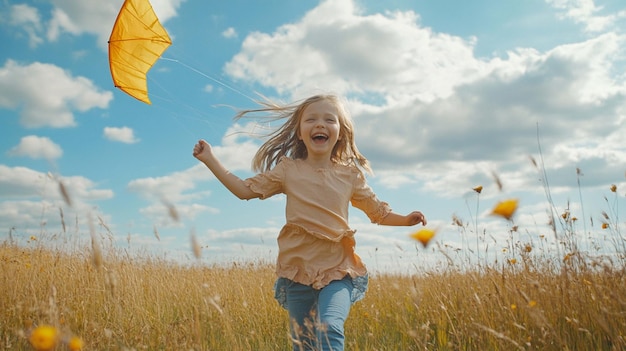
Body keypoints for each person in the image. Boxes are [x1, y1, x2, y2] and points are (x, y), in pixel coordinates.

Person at [193, 94, 426, 351]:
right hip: (298, 272)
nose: (320, 124)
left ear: (341, 133)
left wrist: (405, 220)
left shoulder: (349, 176)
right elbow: (244, 191)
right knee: (302, 343)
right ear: (300, 133)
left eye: (329, 119)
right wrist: (210, 160)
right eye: (311, 119)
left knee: (330, 327)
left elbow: (377, 213)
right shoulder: (288, 170)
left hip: (338, 270)